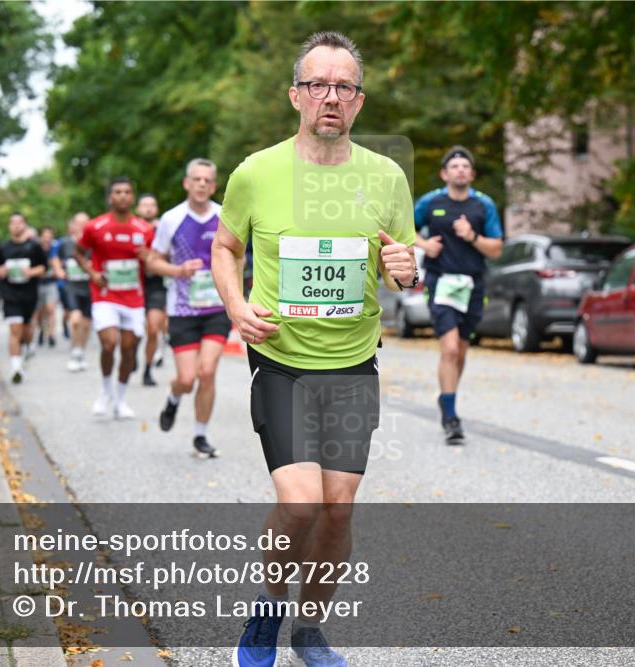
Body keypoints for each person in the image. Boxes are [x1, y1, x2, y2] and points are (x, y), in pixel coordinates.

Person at [211, 32, 417, 667]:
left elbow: (404, 269)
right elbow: (225, 248)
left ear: (359, 102)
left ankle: (309, 629)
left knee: (337, 508)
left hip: (354, 362)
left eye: (344, 87)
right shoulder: (257, 172)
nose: (331, 97)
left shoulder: (386, 177)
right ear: (295, 95)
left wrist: (406, 269)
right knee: (300, 502)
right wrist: (236, 307)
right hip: (282, 359)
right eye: (318, 85)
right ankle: (266, 617)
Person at [412, 146, 502, 444]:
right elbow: (404, 229)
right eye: (455, 166)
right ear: (444, 173)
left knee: (460, 351)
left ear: (472, 174)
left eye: (465, 166)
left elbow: (496, 248)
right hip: (441, 282)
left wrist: (471, 236)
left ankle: (447, 398)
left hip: (472, 284)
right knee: (449, 349)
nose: (460, 170)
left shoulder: (483, 206)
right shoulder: (431, 202)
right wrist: (425, 246)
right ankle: (451, 418)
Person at [147, 159, 228, 459]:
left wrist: (236, 297)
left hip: (216, 309)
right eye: (197, 179)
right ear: (186, 183)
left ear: (214, 185)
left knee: (207, 372)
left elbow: (236, 258)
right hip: (182, 310)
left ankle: (200, 435)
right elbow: (152, 261)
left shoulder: (224, 216)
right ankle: (173, 398)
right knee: (186, 379)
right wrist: (178, 271)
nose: (202, 184)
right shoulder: (171, 219)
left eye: (207, 180)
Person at [74, 177, 153, 419]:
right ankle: (105, 391)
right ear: (110, 197)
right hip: (105, 295)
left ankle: (120, 398)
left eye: (127, 192)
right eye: (117, 192)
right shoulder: (95, 227)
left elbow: (153, 263)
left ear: (132, 198)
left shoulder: (144, 230)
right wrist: (92, 273)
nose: (122, 196)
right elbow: (78, 252)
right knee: (109, 343)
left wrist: (148, 256)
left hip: (133, 298)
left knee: (129, 350)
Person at [0, 213, 48, 384]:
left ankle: (28, 347)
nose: (17, 226)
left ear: (25, 225)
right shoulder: (3, 248)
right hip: (10, 294)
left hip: (29, 294)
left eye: (20, 223)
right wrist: (1, 271)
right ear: (9, 226)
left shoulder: (34, 247)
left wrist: (31, 272)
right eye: (13, 223)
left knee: (26, 331)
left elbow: (43, 268)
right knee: (15, 330)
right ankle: (15, 367)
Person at [52, 212, 93, 372]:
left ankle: (80, 351)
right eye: (79, 223)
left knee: (86, 323)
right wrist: (58, 270)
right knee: (75, 319)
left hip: (89, 286)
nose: (82, 226)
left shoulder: (93, 243)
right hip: (71, 286)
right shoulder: (65, 243)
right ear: (73, 225)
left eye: (85, 223)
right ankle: (74, 351)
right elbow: (54, 257)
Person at [136, 193, 168, 386]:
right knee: (131, 333)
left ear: (156, 209)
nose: (148, 208)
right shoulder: (130, 228)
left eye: (152, 204)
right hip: (132, 284)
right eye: (144, 204)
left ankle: (147, 369)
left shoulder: (164, 229)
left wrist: (150, 257)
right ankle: (130, 354)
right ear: (138, 208)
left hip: (156, 284)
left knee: (153, 328)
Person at [34, 225, 60, 348]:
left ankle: (51, 334)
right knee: (40, 312)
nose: (47, 239)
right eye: (45, 237)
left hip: (51, 283)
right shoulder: (36, 249)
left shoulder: (55, 249)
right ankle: (41, 330)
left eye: (50, 237)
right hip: (38, 283)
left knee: (50, 309)